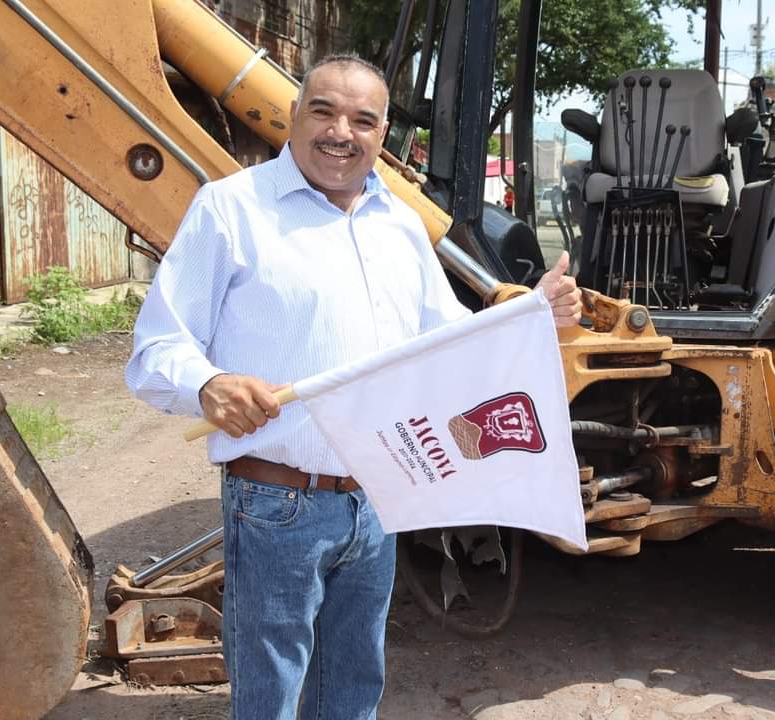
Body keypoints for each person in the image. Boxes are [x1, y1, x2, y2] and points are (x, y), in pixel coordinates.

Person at [125, 54, 580, 720]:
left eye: (363, 120)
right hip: (275, 502)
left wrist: (532, 312)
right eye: (324, 111)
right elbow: (156, 348)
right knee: (269, 693)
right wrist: (208, 384)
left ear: (384, 132)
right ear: (292, 115)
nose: (342, 132)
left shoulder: (396, 224)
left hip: (377, 499)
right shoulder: (232, 208)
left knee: (352, 684)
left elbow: (445, 343)